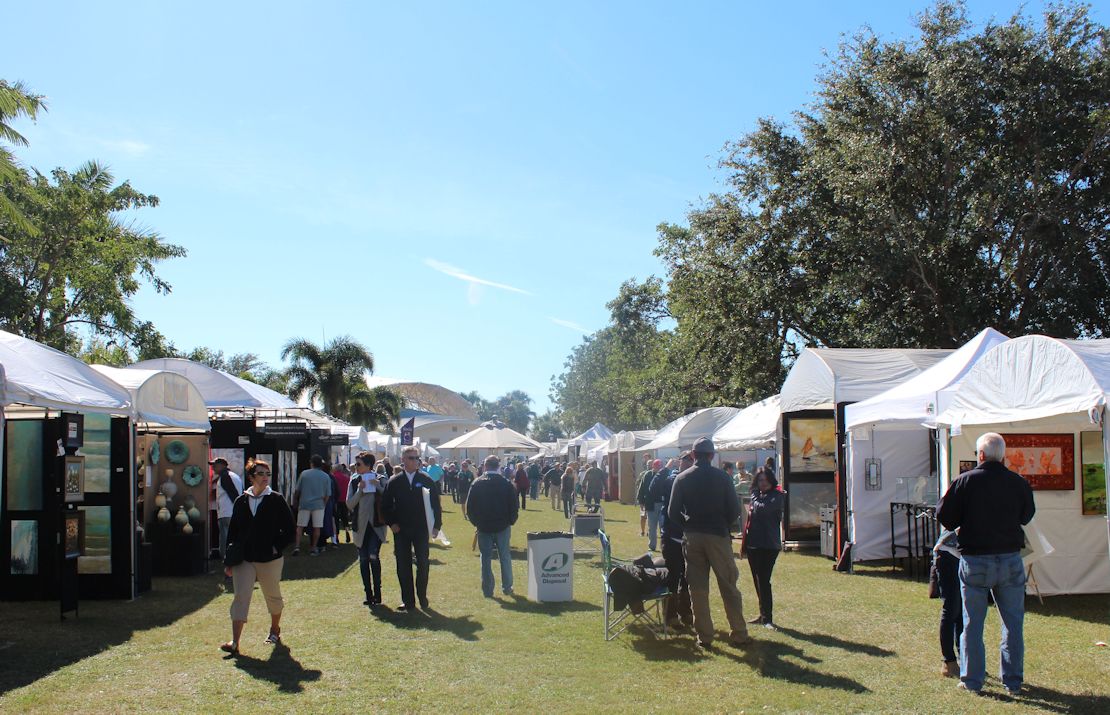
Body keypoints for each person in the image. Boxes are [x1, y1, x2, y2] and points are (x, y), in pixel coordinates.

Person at [937, 433, 1035, 696]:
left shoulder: (965, 481)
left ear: (980, 455)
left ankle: (972, 680)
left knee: (972, 623)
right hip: (1010, 558)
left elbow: (944, 516)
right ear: (1003, 456)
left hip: (975, 559)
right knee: (1013, 623)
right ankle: (1013, 681)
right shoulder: (1017, 482)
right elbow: (1027, 515)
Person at [669, 437, 751, 649]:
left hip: (693, 535)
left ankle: (704, 636)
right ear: (712, 455)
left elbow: (672, 512)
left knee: (698, 588)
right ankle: (739, 633)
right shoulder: (722, 477)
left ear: (694, 455)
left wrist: (687, 524)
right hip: (717, 534)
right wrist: (722, 524)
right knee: (728, 584)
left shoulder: (682, 478)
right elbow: (734, 510)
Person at [220, 459, 295, 655]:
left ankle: (274, 630)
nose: (265, 477)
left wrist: (275, 546)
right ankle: (235, 642)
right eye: (261, 473)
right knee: (240, 597)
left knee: (272, 596)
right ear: (251, 476)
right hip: (244, 557)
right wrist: (229, 561)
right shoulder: (241, 500)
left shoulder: (276, 499)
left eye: (267, 474)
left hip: (269, 559)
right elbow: (233, 533)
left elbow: (289, 529)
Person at [380, 446, 442, 612]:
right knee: (403, 565)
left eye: (417, 458)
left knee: (422, 563)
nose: (416, 461)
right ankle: (408, 601)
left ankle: (422, 596)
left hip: (421, 529)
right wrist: (392, 523)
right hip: (401, 530)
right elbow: (385, 506)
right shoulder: (394, 481)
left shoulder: (426, 479)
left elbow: (436, 504)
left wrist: (436, 526)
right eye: (412, 458)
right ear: (404, 460)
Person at [465, 455, 519, 597]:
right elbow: (514, 506)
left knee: (485, 558)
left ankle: (488, 590)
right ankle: (507, 587)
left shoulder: (477, 483)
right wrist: (511, 521)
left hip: (484, 526)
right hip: (502, 525)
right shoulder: (506, 483)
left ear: (485, 466)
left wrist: (476, 522)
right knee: (505, 557)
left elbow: (470, 507)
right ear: (498, 466)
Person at [657, 451, 693, 628]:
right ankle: (670, 615)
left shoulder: (694, 480)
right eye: (685, 460)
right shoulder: (672, 479)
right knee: (673, 575)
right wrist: (665, 469)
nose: (688, 463)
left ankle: (686, 612)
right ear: (679, 462)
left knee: (688, 578)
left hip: (689, 537)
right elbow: (654, 489)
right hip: (671, 536)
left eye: (691, 461)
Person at [347, 452, 389, 606]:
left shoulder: (381, 479)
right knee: (363, 559)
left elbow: (389, 498)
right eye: (356, 464)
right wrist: (359, 490)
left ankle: (378, 593)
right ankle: (368, 594)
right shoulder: (354, 480)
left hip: (376, 526)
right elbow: (349, 504)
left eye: (359, 464)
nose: (356, 467)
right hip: (360, 526)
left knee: (373, 556)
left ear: (368, 465)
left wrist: (377, 486)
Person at [744, 469, 784, 629]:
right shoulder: (758, 496)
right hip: (754, 544)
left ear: (771, 480)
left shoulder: (777, 495)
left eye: (765, 479)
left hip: (768, 545)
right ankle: (762, 614)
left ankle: (767, 618)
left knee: (764, 581)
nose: (763, 483)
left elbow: (762, 508)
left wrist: (753, 497)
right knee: (757, 580)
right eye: (760, 480)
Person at [933, 529, 963, 677]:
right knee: (952, 609)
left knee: (962, 613)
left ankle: (964, 659)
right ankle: (949, 662)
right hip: (948, 554)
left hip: (961, 556)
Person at [292, 455, 332, 556]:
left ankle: (297, 547)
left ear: (312, 463)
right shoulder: (325, 476)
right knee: (317, 528)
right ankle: (313, 548)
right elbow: (328, 494)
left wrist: (295, 500)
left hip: (304, 503)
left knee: (300, 526)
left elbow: (297, 490)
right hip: (319, 505)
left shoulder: (304, 474)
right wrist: (324, 504)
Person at [210, 457, 243, 565]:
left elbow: (233, 493)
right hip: (231, 512)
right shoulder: (235, 476)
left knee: (226, 539)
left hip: (227, 513)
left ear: (223, 465)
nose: (213, 468)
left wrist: (238, 508)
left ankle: (227, 560)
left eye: (215, 465)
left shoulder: (225, 476)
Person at [638, 459, 666, 551]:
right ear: (654, 466)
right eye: (658, 466)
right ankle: (652, 546)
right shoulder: (647, 475)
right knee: (652, 526)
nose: (659, 468)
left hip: (662, 504)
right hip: (651, 504)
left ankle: (664, 546)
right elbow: (642, 488)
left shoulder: (665, 475)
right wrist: (641, 501)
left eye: (660, 466)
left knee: (663, 527)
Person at [332, 463, 353, 544]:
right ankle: (347, 532)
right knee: (345, 518)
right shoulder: (347, 478)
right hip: (345, 500)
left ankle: (336, 536)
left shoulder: (334, 477)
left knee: (336, 519)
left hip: (336, 500)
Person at [636, 458, 657, 537]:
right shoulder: (643, 474)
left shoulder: (656, 474)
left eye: (651, 465)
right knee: (643, 516)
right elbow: (639, 485)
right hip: (644, 499)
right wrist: (640, 500)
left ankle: (649, 531)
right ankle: (642, 531)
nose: (649, 466)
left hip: (653, 500)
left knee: (650, 517)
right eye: (648, 465)